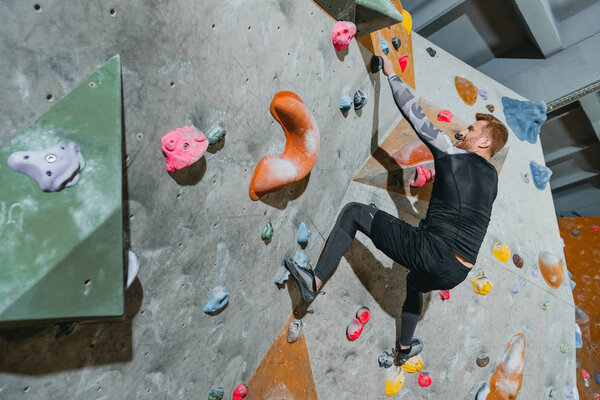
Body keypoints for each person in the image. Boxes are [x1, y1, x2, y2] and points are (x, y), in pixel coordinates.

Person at [284, 53, 509, 364]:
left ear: (485, 142)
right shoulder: (493, 179)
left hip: (433, 251)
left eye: (472, 129)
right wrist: (436, 169)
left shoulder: (451, 154)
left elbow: (415, 114)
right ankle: (404, 350)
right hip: (458, 271)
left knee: (353, 211)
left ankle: (314, 281)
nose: (465, 131)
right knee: (415, 282)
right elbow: (462, 205)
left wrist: (391, 73)